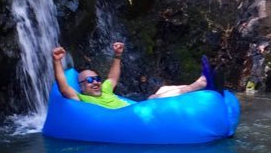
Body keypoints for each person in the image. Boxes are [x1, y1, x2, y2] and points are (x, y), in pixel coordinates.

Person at [52, 42, 219, 109]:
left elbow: (113, 77)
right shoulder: (82, 99)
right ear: (81, 86)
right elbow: (64, 87)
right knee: (153, 98)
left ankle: (201, 85)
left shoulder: (105, 89)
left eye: (96, 79)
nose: (95, 82)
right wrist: (57, 61)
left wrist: (117, 55)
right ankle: (201, 84)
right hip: (127, 118)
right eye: (90, 80)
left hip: (132, 110)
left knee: (162, 89)